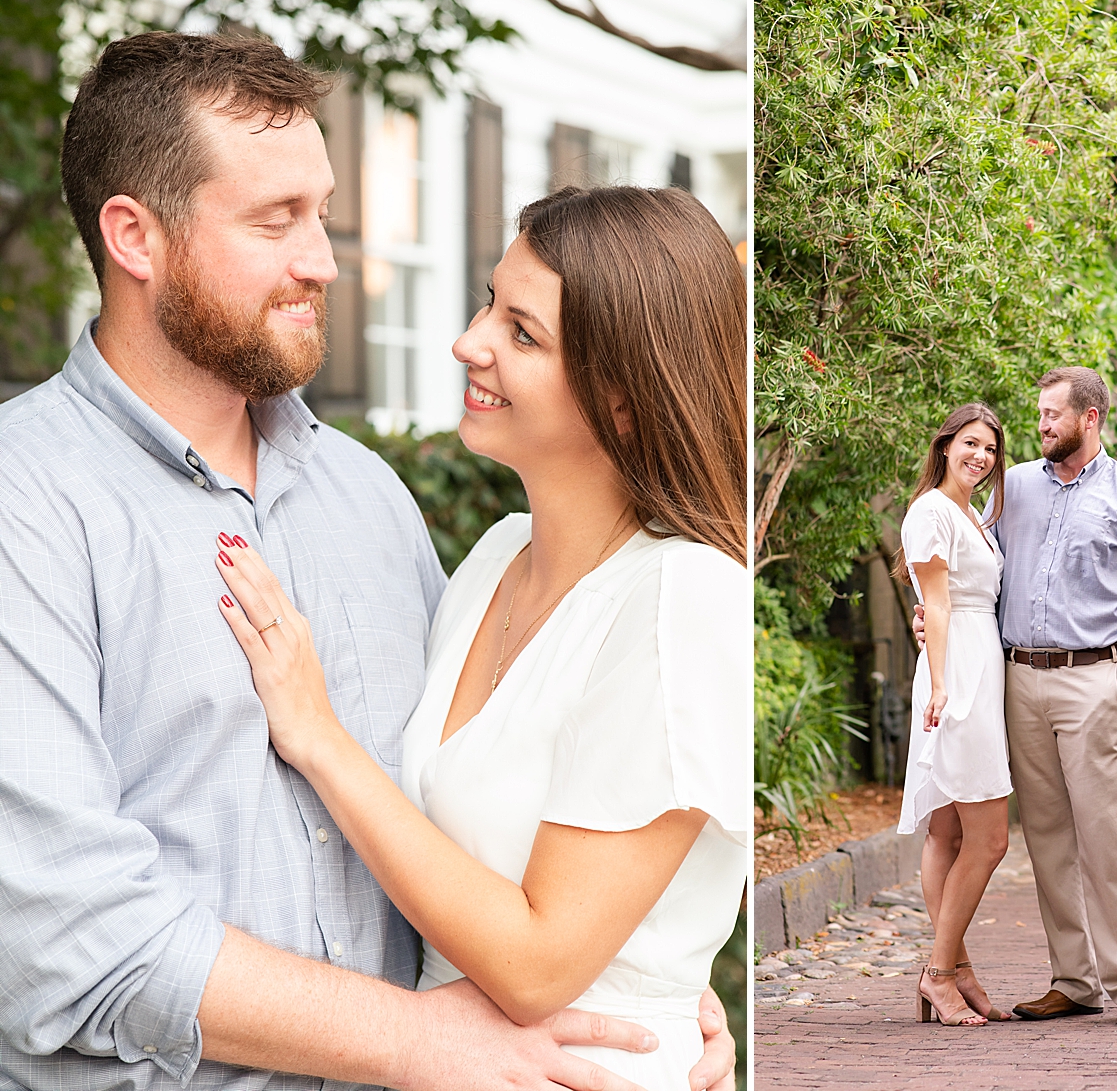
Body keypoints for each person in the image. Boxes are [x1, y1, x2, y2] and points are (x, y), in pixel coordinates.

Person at [0, 31, 734, 1091]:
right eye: (275, 221)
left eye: (324, 213)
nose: (325, 260)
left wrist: (645, 977)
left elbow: (480, 809)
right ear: (135, 237)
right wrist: (413, 1038)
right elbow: (62, 934)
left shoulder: (370, 502)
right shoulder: (28, 503)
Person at [210, 183, 749, 1091]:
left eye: (522, 332)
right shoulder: (498, 557)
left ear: (623, 399)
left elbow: (541, 964)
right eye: (489, 303)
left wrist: (319, 738)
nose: (471, 342)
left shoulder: (681, 597)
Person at [914, 367, 1117, 1030]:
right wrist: (928, 619)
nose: (1039, 426)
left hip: (1097, 677)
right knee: (1048, 839)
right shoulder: (1014, 492)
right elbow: (958, 566)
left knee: (1110, 837)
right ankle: (1075, 979)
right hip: (1018, 681)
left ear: (1089, 419)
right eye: (1038, 414)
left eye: (1051, 415)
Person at [894, 404, 1013, 1027]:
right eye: (971, 443)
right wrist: (941, 684)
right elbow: (934, 605)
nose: (981, 456)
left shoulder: (974, 516)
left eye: (991, 449)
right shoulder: (932, 512)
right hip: (957, 676)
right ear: (944, 446)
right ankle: (940, 974)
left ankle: (955, 968)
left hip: (975, 664)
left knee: (949, 833)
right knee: (989, 837)